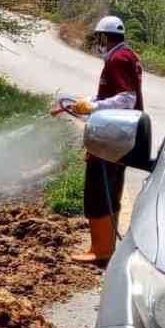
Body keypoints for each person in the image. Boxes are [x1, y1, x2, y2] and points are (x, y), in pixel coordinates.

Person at [50, 15, 144, 266]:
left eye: (99, 37)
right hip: (121, 136)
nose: (98, 42)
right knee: (110, 190)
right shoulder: (127, 56)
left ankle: (101, 249)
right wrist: (87, 100)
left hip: (113, 136)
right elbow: (112, 93)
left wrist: (92, 107)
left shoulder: (118, 59)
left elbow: (126, 99)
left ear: (104, 36)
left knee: (98, 190)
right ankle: (106, 246)